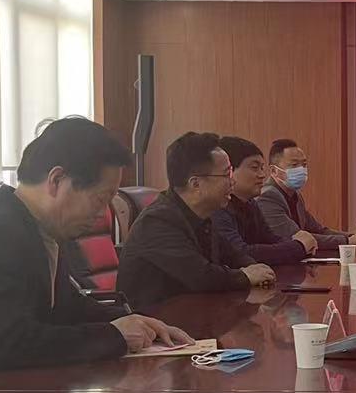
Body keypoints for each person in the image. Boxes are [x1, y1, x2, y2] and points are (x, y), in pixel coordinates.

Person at [0, 118, 190, 393]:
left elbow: (65, 307)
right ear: (57, 180)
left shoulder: (37, 227)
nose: (103, 214)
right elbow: (7, 343)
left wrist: (132, 321)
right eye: (101, 199)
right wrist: (114, 336)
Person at [117, 132, 276, 310]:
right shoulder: (157, 221)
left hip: (194, 314)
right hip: (156, 320)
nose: (232, 182)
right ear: (195, 184)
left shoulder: (203, 215)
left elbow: (233, 255)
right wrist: (245, 276)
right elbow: (201, 277)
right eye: (227, 174)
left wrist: (255, 268)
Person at [212, 136, 317, 269]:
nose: (262, 175)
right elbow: (241, 253)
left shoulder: (250, 204)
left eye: (262, 168)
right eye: (255, 168)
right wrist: (299, 246)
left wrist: (298, 243)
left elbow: (271, 240)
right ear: (230, 171)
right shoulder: (217, 207)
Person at [256, 138, 356, 253]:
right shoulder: (267, 197)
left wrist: (352, 236)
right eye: (294, 165)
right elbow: (297, 237)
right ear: (274, 171)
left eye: (304, 164)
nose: (301, 170)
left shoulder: (295, 195)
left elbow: (318, 230)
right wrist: (347, 241)